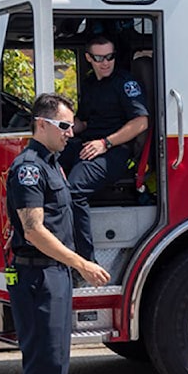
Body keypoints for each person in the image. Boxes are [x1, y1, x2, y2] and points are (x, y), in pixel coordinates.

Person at [6, 93, 111, 374]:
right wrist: (81, 263)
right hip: (37, 275)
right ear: (42, 124)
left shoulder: (52, 165)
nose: (71, 132)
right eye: (65, 126)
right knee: (44, 364)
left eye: (72, 125)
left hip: (52, 274)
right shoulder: (29, 169)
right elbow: (34, 230)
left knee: (57, 363)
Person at [60, 35, 149, 264]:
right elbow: (85, 122)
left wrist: (105, 143)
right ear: (89, 58)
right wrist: (62, 128)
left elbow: (141, 122)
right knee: (47, 164)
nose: (106, 62)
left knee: (74, 190)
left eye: (110, 57)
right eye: (99, 58)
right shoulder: (90, 83)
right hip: (89, 143)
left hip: (115, 150)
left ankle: (84, 261)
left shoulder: (125, 82)